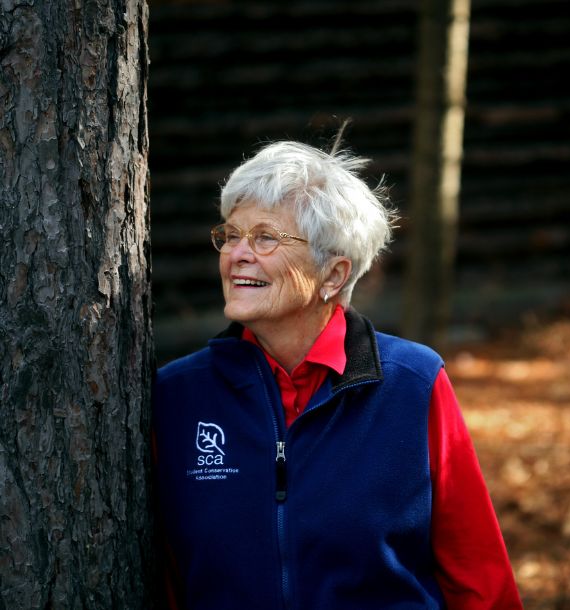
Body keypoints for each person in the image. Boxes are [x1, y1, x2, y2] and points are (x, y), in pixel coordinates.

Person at [152, 140, 522, 609]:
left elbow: (479, 575)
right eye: (230, 235)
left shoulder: (413, 383)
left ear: (332, 275)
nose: (237, 254)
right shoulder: (178, 395)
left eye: (265, 237)